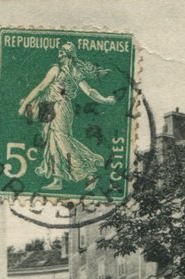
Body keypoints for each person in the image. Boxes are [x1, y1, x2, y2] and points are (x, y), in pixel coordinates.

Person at [17, 42, 115, 191]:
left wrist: (25, 105)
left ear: (69, 55)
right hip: (54, 108)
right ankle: (58, 180)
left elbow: (42, 88)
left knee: (61, 141)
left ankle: (89, 172)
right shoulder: (70, 71)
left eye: (62, 52)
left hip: (60, 108)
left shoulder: (59, 70)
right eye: (59, 52)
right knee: (54, 142)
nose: (59, 55)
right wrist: (105, 100)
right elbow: (42, 88)